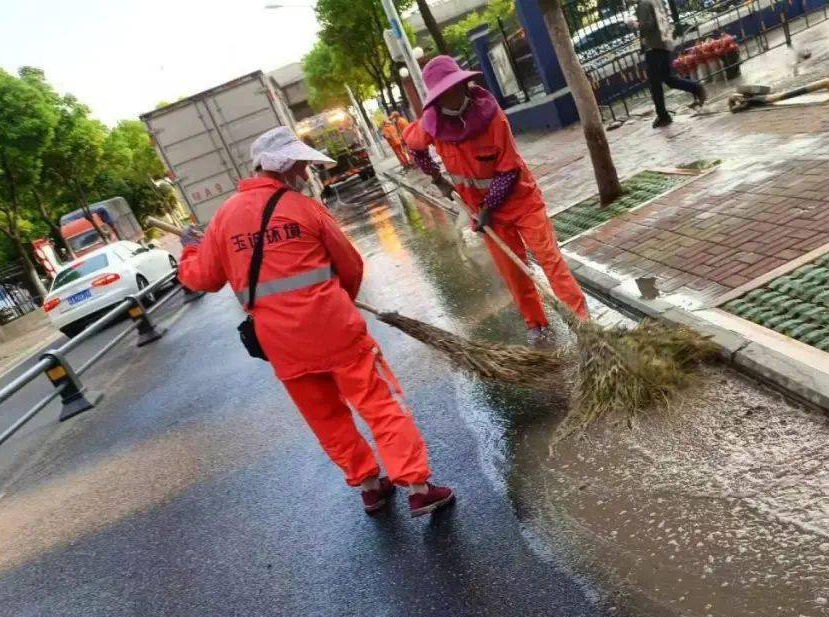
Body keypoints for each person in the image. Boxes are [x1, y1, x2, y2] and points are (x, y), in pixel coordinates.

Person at [177, 126, 454, 518]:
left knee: (326, 418)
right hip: (335, 331)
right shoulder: (304, 209)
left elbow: (201, 278)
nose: (306, 174)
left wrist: (190, 249)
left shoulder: (223, 220)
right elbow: (350, 265)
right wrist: (341, 300)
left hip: (283, 346)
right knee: (378, 406)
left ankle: (371, 487)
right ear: (286, 168)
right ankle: (418, 488)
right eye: (302, 166)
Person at [403, 56, 589, 344]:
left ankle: (583, 324)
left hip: (521, 200)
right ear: (437, 99)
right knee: (513, 272)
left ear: (464, 86)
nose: (451, 98)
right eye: (444, 95)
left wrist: (489, 207)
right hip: (483, 212)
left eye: (455, 89)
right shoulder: (432, 124)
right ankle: (536, 325)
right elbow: (413, 147)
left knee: (550, 261)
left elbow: (509, 168)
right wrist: (437, 178)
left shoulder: (491, 117)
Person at [632, 0, 705, 128]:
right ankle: (696, 88)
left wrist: (635, 24)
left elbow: (648, 26)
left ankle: (663, 115)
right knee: (668, 79)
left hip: (653, 47)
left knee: (654, 83)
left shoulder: (643, 4)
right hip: (664, 44)